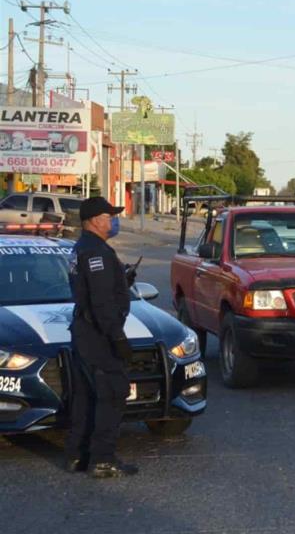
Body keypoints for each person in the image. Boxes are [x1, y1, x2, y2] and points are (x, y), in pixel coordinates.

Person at [64, 197, 139, 478]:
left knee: (85, 395)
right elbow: (101, 302)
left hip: (84, 331)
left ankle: (78, 455)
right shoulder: (95, 252)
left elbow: (97, 289)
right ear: (95, 220)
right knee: (113, 391)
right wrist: (117, 337)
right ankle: (103, 459)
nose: (113, 220)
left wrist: (123, 280)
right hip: (97, 335)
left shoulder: (82, 248)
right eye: (109, 216)